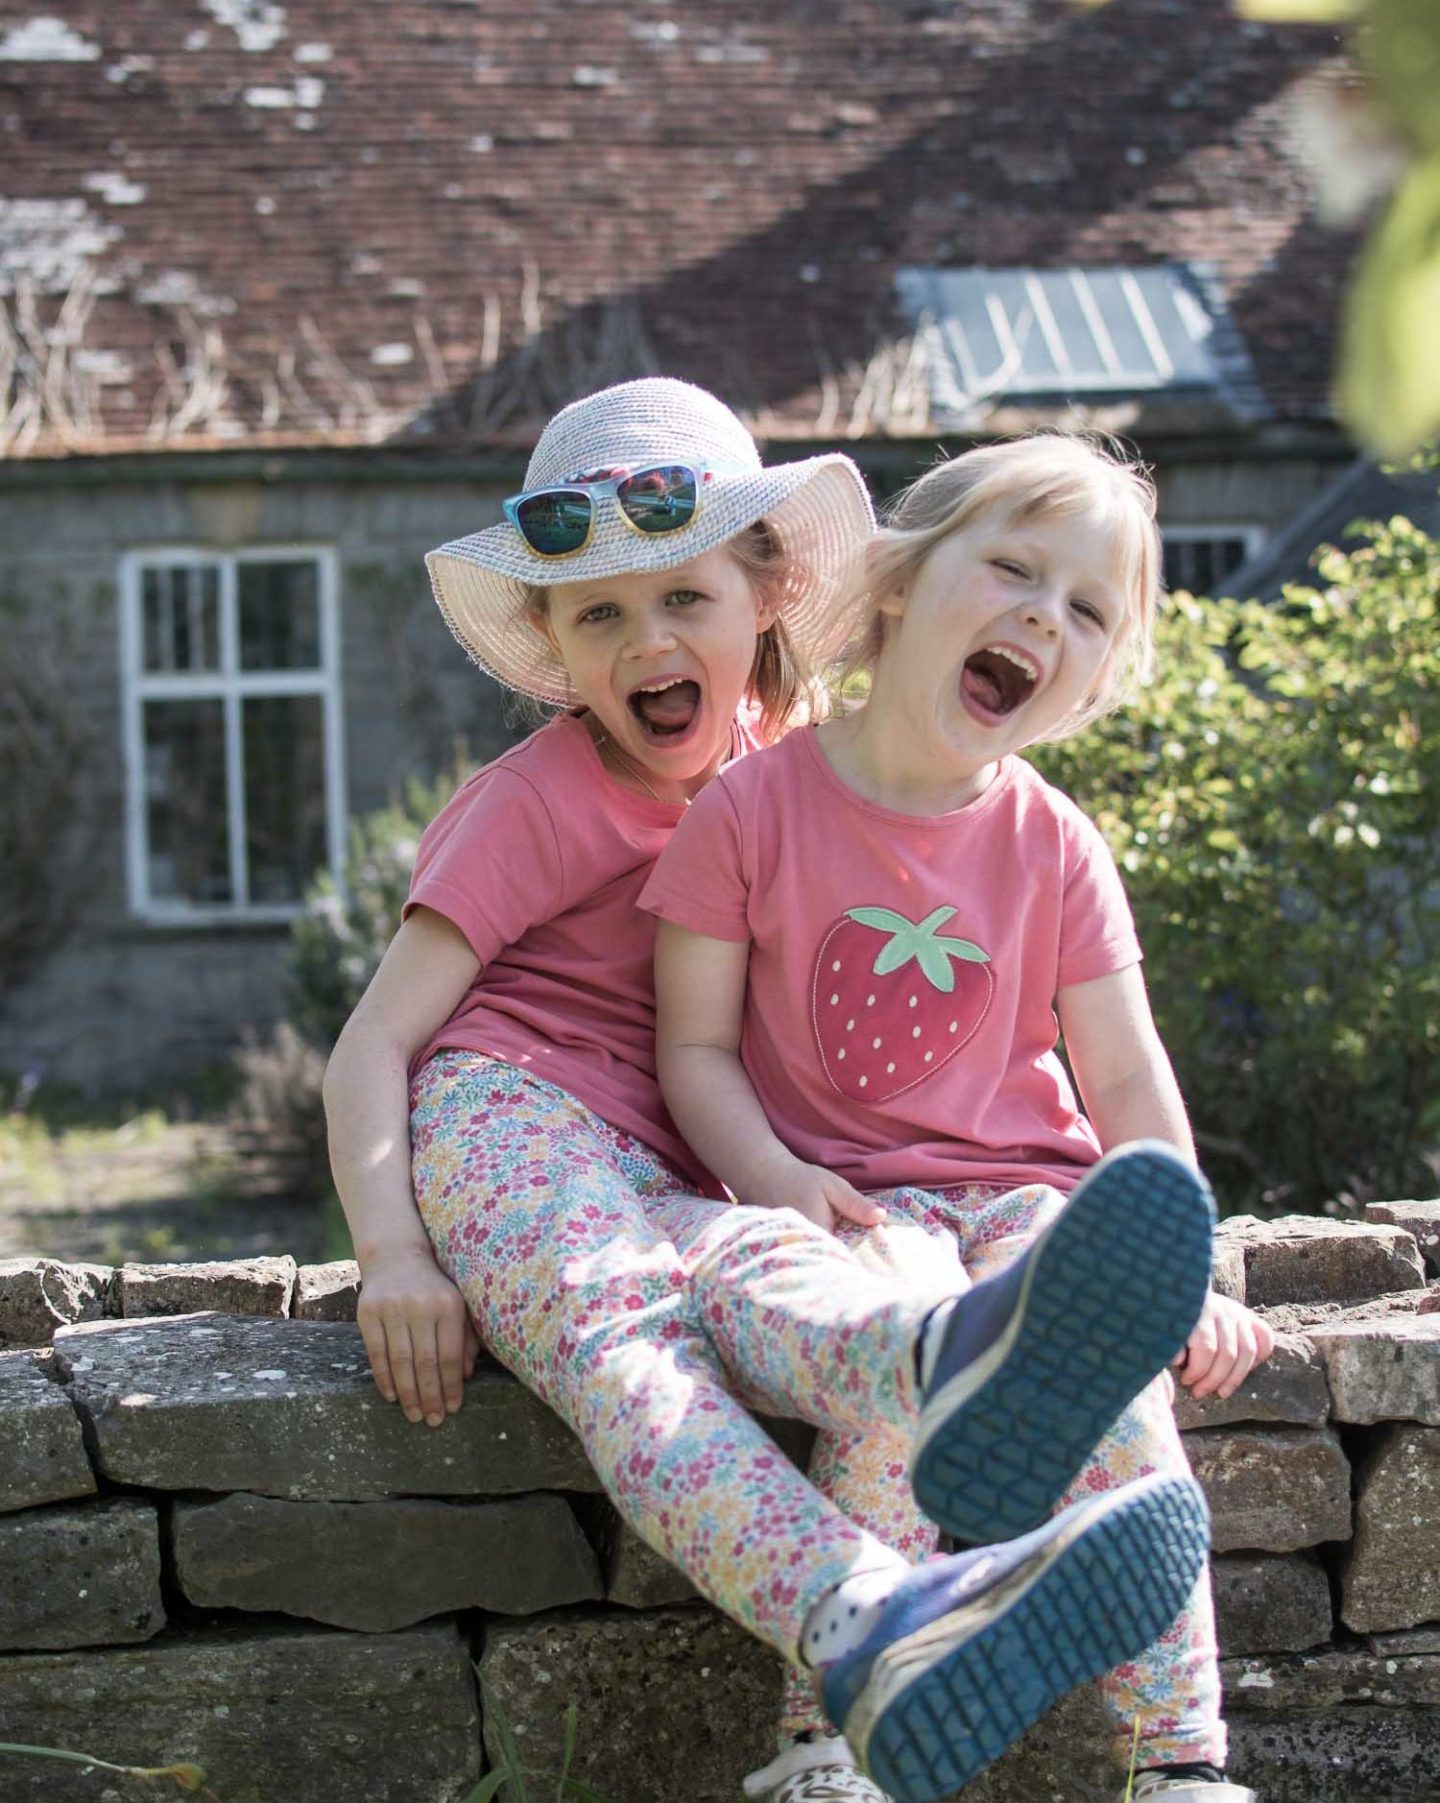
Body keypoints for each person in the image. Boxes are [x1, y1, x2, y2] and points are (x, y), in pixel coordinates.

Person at [325, 385, 1210, 1803]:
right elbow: (372, 1043)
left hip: (675, 1166)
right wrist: (391, 1251)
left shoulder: (786, 778)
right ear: (551, 649)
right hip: (515, 1117)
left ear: (769, 600)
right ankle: (866, 1612)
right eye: (598, 617)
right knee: (628, 1349)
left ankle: (944, 1357)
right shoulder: (541, 796)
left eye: (683, 595)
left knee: (779, 1279)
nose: (649, 643)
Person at [641, 432, 1275, 1803]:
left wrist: (1190, 1269)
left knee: (1120, 1412)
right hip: (851, 1201)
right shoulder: (749, 810)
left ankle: (1179, 1760)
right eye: (1014, 569)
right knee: (898, 1356)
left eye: (1090, 609)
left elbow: (1126, 1081)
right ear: (894, 588)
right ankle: (824, 1744)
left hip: (1033, 1200)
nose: (1048, 616)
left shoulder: (1055, 843)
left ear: (1098, 676)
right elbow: (691, 1050)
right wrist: (776, 1176)